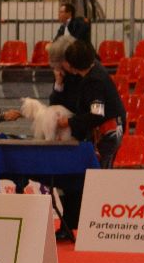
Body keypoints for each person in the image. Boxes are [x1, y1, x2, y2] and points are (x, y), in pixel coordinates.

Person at [52, 39, 127, 241]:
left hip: (108, 132)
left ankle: (101, 228)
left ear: (70, 64)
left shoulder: (94, 81)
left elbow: (97, 114)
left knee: (99, 180)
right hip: (102, 131)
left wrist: (70, 122)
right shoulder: (93, 74)